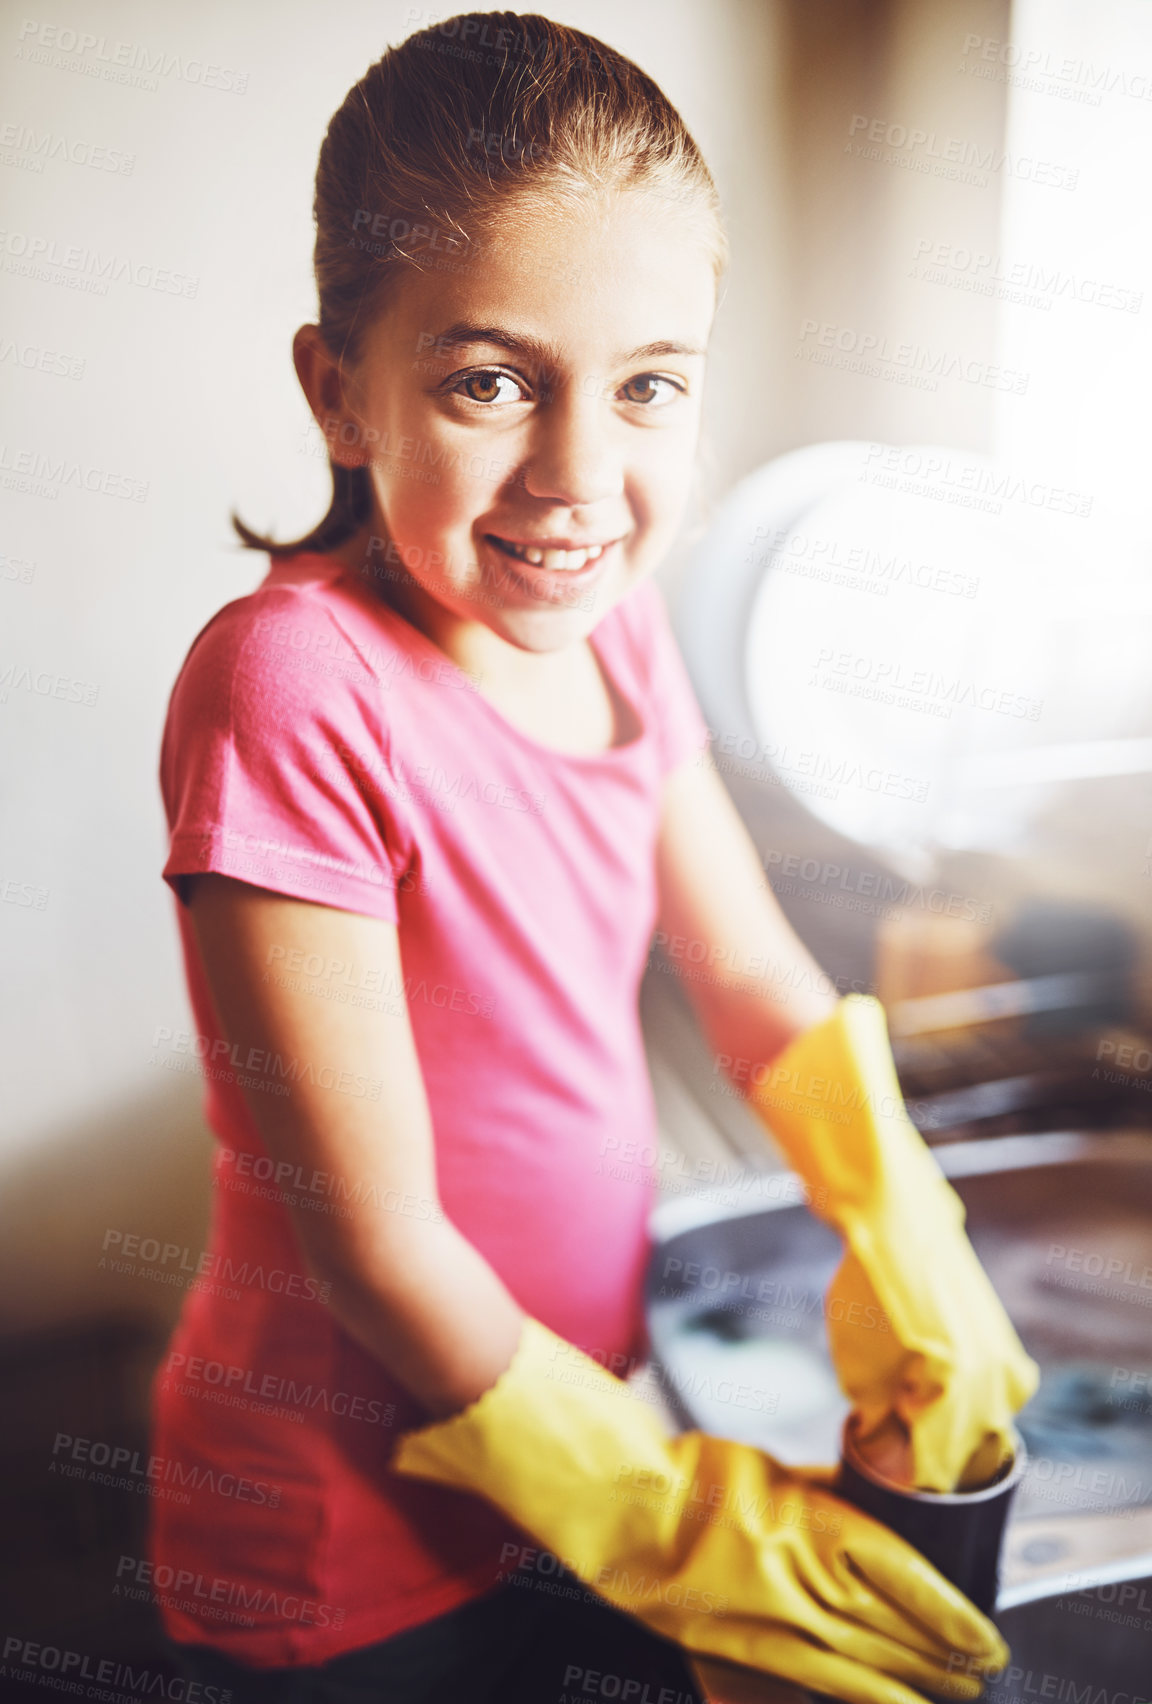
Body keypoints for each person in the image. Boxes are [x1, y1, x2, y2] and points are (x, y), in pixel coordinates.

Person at [151, 13, 1036, 1702]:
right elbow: (373, 1241)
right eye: (489, 380)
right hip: (338, 1540)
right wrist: (662, 1521)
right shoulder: (293, 684)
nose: (576, 478)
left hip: (570, 1447)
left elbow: (757, 979)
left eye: (646, 387)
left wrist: (901, 1223)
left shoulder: (616, 634)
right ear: (339, 389)